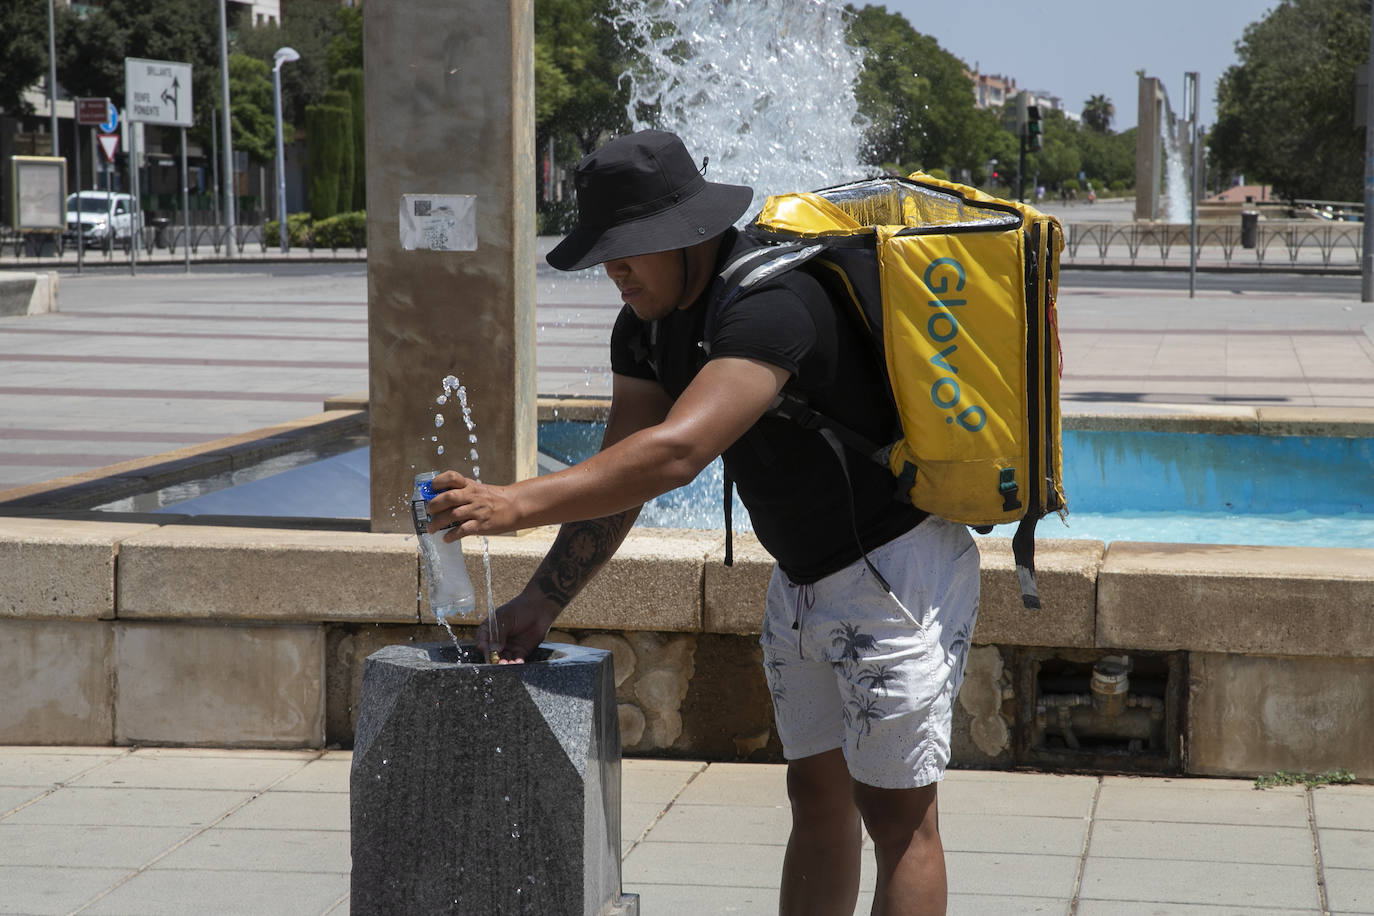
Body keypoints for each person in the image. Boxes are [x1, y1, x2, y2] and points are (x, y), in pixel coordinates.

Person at [425, 129, 980, 916]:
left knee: (898, 819)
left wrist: (514, 503)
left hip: (896, 570)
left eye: (629, 249)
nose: (613, 269)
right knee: (815, 797)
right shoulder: (646, 324)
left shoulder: (773, 302)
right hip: (803, 580)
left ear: (686, 234)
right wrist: (541, 600)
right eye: (604, 251)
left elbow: (680, 452)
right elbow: (627, 468)